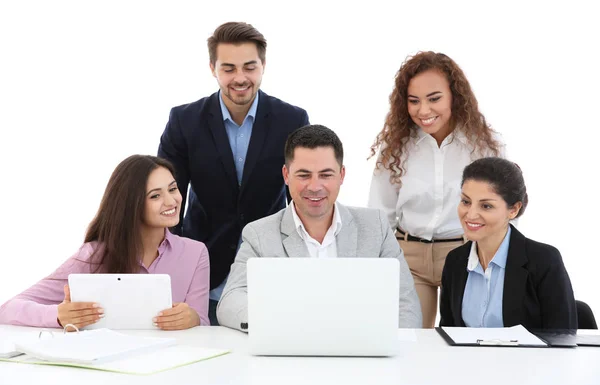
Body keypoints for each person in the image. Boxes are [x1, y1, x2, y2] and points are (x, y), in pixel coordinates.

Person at [158, 22, 309, 325]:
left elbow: (304, 194)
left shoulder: (292, 119)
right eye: (228, 68)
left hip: (271, 270)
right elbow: (165, 199)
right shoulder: (184, 121)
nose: (240, 78)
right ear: (212, 68)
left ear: (263, 66)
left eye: (249, 67)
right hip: (204, 271)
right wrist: (171, 268)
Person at [217, 125, 422, 331]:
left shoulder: (375, 226)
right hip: (290, 351)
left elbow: (405, 303)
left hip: (360, 353)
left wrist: (395, 352)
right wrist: (277, 323)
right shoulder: (259, 234)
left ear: (341, 175)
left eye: (325, 175)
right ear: (286, 175)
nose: (315, 186)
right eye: (304, 175)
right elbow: (230, 302)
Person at [368, 51, 505, 328]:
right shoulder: (396, 147)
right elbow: (379, 213)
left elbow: (503, 207)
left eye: (434, 98)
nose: (424, 111)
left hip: (465, 254)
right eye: (414, 101)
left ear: (454, 95)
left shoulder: (486, 145)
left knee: (465, 345)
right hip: (409, 257)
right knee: (409, 342)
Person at [0, 155, 210, 329]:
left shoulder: (195, 253)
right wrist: (58, 315)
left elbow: (203, 324)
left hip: (171, 367)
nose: (172, 201)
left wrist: (192, 319)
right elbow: (8, 309)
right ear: (131, 205)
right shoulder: (94, 255)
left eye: (173, 189)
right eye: (155, 196)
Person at [439, 157, 577, 329]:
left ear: (513, 210)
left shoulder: (544, 261)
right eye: (466, 202)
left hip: (528, 357)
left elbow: (562, 338)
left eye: (486, 206)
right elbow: (448, 332)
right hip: (469, 357)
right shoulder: (455, 261)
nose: (471, 214)